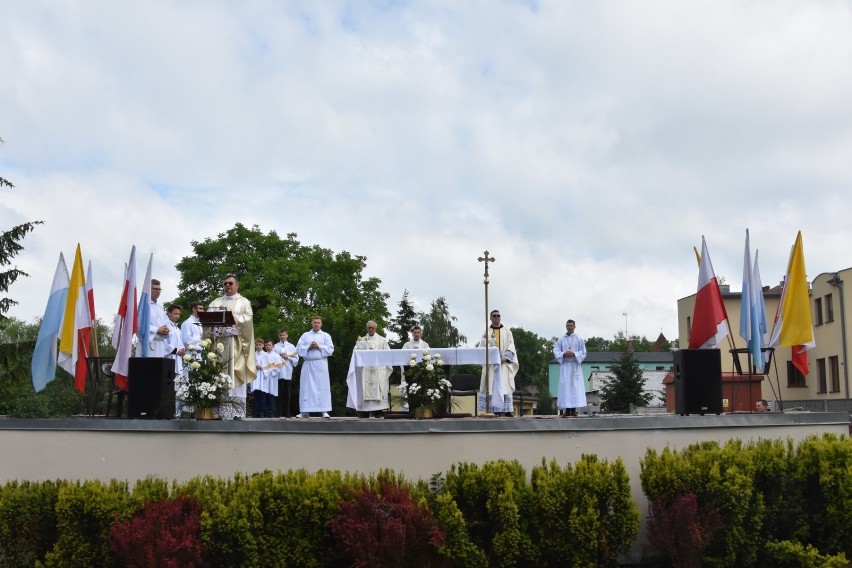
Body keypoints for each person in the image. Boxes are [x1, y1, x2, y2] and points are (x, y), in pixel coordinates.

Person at [209, 274, 256, 419]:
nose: (227, 286)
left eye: (230, 283)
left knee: (235, 374)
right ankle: (218, 412)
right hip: (219, 345)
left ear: (237, 285)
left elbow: (247, 319)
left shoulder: (244, 302)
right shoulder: (215, 302)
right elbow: (208, 320)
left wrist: (232, 318)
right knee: (218, 374)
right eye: (225, 284)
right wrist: (214, 328)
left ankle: (236, 412)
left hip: (236, 345)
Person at [476, 309, 519, 416]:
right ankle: (495, 410)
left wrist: (505, 358)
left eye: (498, 315)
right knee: (491, 386)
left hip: (504, 364)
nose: (496, 317)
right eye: (494, 316)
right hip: (491, 365)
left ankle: (507, 410)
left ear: (500, 317)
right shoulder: (486, 332)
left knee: (505, 385)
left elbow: (511, 346)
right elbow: (482, 347)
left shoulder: (507, 331)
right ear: (490, 318)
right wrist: (491, 358)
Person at [350, 320, 392, 417]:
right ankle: (364, 411)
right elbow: (356, 352)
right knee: (365, 388)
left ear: (375, 328)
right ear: (367, 328)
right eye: (369, 327)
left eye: (372, 327)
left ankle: (378, 411)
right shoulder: (362, 340)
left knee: (377, 389)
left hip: (378, 370)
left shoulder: (382, 340)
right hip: (365, 370)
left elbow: (388, 353)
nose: (370, 329)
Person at [296, 316, 334, 418]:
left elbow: (330, 349)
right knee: (306, 388)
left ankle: (324, 410)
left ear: (321, 324)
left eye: (318, 322)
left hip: (321, 365)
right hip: (308, 365)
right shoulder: (305, 335)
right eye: (314, 322)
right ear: (311, 324)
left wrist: (319, 347)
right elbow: (298, 349)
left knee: (322, 388)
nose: (316, 324)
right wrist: (308, 347)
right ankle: (305, 411)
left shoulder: (326, 336)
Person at [553, 319, 587, 417]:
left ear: (574, 327)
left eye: (571, 325)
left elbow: (583, 352)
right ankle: (567, 410)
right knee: (566, 388)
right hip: (566, 366)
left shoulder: (579, 338)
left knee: (575, 388)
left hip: (575, 366)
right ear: (566, 326)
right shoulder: (561, 339)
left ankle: (574, 410)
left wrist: (574, 353)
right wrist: (563, 354)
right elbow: (556, 350)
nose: (569, 327)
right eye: (568, 325)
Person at [165, 304, 187, 417]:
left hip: (178, 361)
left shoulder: (177, 329)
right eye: (175, 313)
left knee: (178, 388)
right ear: (169, 313)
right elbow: (164, 344)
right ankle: (169, 411)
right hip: (169, 358)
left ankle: (177, 413)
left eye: (179, 314)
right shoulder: (166, 326)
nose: (177, 316)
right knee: (169, 387)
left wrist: (182, 350)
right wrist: (175, 350)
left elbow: (181, 344)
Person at [274, 329, 299, 418]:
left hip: (287, 370)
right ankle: (279, 412)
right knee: (279, 392)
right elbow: (272, 358)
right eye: (280, 335)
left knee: (287, 392)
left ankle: (287, 412)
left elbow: (296, 358)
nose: (282, 337)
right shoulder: (276, 346)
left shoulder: (291, 346)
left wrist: (287, 356)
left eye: (283, 335)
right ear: (278, 336)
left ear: (287, 335)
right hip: (278, 371)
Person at [145, 279, 170, 357]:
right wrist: (157, 330)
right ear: (149, 289)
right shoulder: (143, 305)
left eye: (159, 289)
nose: (158, 291)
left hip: (160, 345)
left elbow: (167, 323)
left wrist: (166, 330)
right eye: (155, 289)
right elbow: (139, 326)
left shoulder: (160, 307)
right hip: (149, 345)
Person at [252, 339, 270, 418]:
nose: (258, 346)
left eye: (260, 345)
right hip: (255, 376)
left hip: (262, 376)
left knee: (262, 394)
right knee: (255, 394)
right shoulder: (253, 355)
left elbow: (269, 366)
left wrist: (262, 367)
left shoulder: (266, 355)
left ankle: (261, 411)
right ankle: (256, 411)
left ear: (263, 345)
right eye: (257, 345)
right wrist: (254, 366)